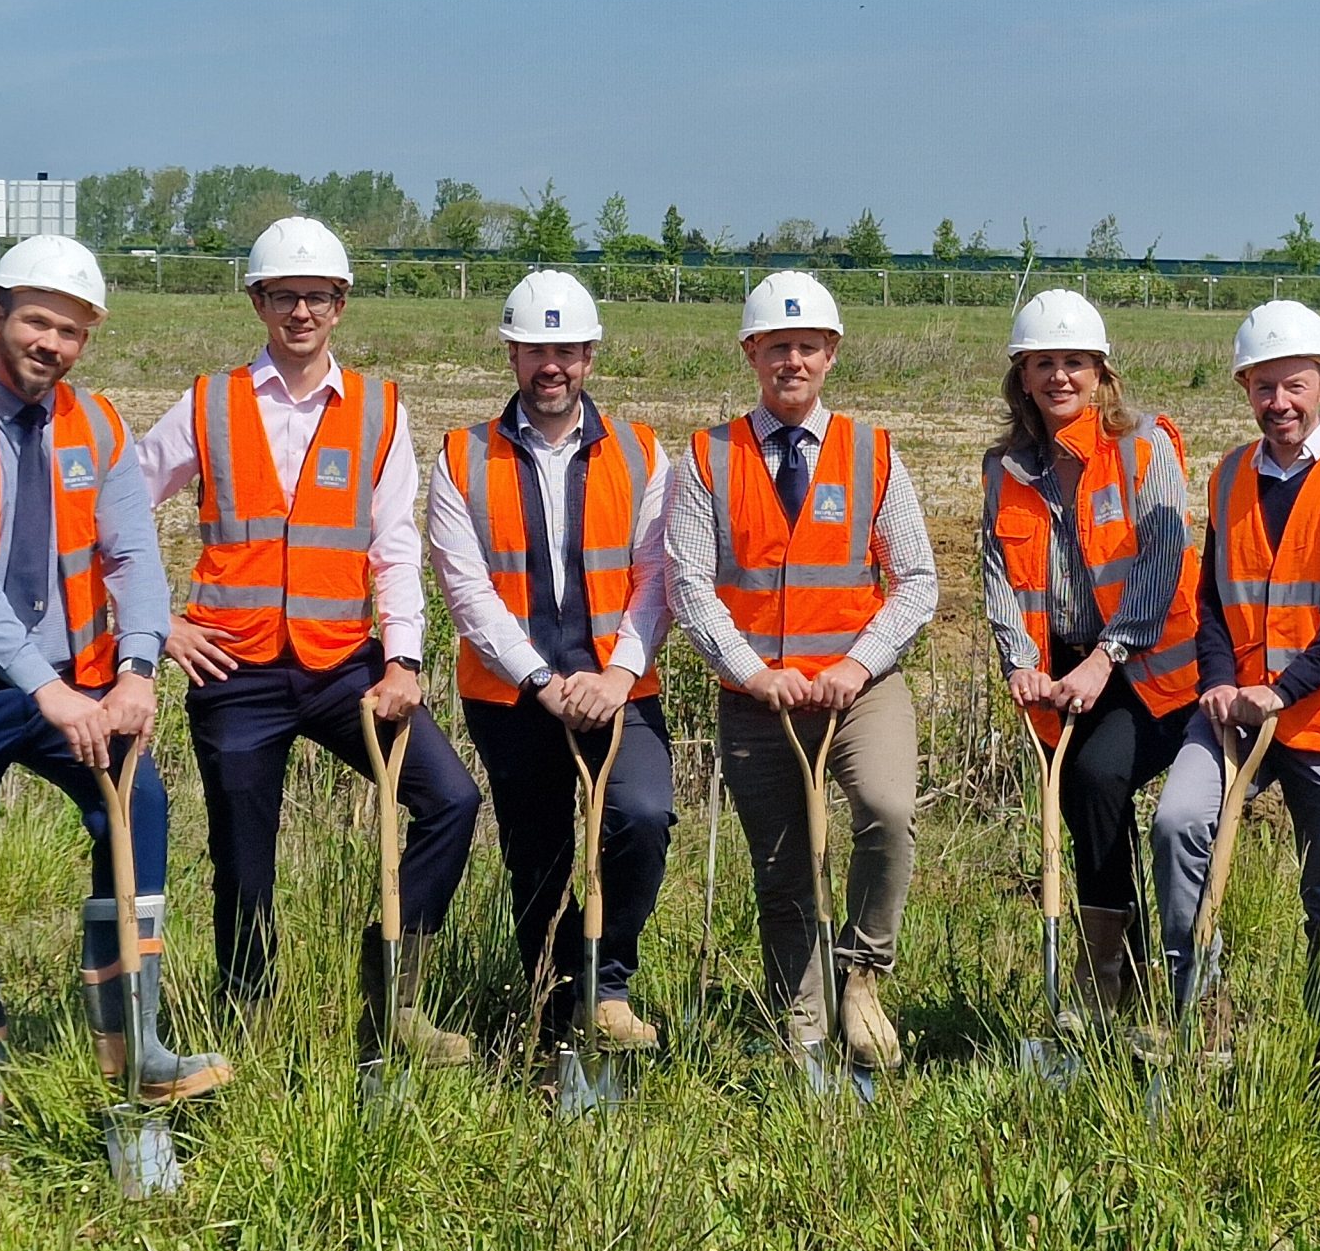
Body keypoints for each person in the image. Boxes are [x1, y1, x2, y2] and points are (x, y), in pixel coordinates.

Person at [0, 235, 229, 1157]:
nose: (53, 344)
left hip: (78, 686)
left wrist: (138, 670)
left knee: (138, 812)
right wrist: (49, 691)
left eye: (72, 331)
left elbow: (132, 557)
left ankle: (134, 1050)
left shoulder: (100, 428)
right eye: (38, 321)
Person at [136, 216, 482, 1075]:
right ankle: (247, 1021)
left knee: (451, 802)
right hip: (235, 672)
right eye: (285, 296)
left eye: (318, 297)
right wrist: (157, 625)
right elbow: (119, 513)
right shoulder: (208, 403)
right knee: (242, 865)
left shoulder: (377, 408)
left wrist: (403, 659)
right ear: (257, 302)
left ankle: (393, 984)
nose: (301, 312)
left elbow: (395, 542)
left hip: (345, 669)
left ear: (341, 306)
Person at [664, 271, 939, 1072]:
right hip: (759, 700)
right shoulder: (710, 456)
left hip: (860, 691)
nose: (793, 360)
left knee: (887, 812)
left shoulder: (872, 451)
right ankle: (804, 1017)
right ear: (751, 353)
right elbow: (689, 581)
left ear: (831, 354)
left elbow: (918, 578)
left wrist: (858, 663)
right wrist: (751, 671)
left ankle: (862, 977)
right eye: (776, 346)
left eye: (807, 346)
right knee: (783, 870)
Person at [1150, 300, 1320, 1080]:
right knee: (1177, 824)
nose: (1279, 404)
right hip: (1236, 712)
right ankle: (1201, 1017)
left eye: (1293, 384)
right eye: (1262, 388)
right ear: (1245, 389)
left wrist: (1284, 689)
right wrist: (1224, 682)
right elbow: (1212, 598)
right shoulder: (1231, 472)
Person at [427, 270, 676, 1051]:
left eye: (566, 349)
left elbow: (656, 579)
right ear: (511, 354)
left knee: (642, 816)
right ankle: (551, 1013)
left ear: (591, 355)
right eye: (536, 349)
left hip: (618, 688)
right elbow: (465, 591)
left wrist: (616, 676)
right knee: (536, 856)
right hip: (511, 696)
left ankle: (602, 984)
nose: (552, 365)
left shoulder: (639, 452)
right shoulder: (460, 457)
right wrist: (539, 679)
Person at [979, 289, 1201, 1032]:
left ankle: (1125, 971)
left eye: (1074, 362)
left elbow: (1162, 562)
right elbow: (997, 573)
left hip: (1152, 671)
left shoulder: (1144, 447)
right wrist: (1018, 660)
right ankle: (1118, 974)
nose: (1058, 377)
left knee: (1099, 776)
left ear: (1102, 372)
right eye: (1043, 363)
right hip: (1061, 668)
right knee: (1082, 794)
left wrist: (1108, 657)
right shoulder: (1006, 466)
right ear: (1022, 376)